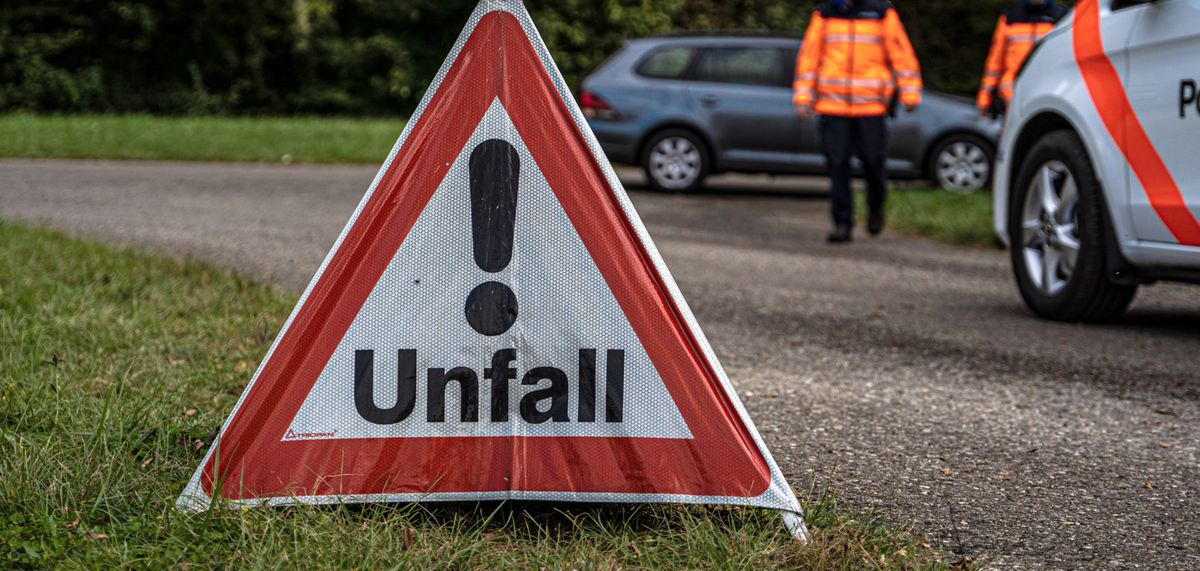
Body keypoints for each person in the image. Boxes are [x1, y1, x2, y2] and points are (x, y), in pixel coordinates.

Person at [794, 0, 923, 244]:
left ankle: (875, 206)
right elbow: (809, 57)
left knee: (873, 162)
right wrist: (803, 96)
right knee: (837, 164)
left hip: (871, 106)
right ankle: (842, 223)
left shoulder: (881, 13)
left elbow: (901, 53)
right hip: (833, 106)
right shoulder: (825, 14)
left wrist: (910, 92)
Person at [977, 0, 1068, 118]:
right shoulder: (1010, 17)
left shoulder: (1060, 17)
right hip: (1011, 100)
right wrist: (984, 99)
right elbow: (995, 63)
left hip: (1047, 98)